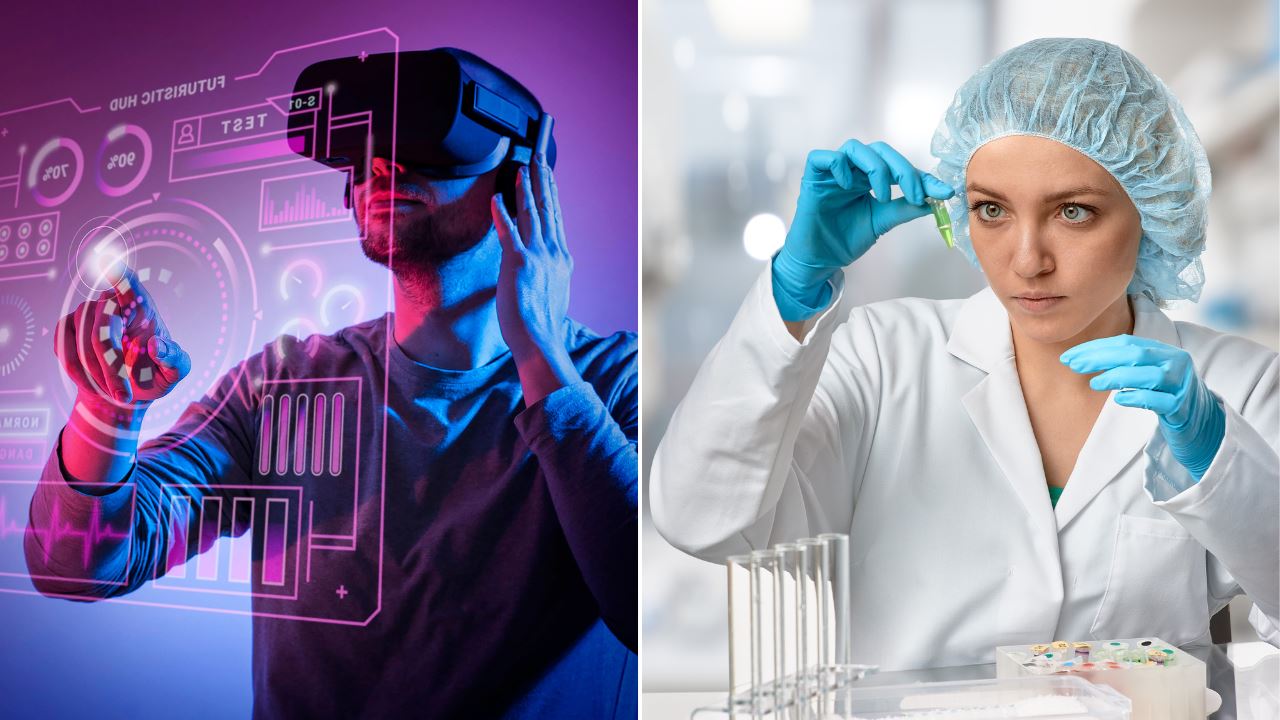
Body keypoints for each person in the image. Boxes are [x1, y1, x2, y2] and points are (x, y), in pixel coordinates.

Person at [27, 49, 637, 718]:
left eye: (420, 137)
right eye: (362, 146)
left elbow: (652, 609)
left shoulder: (615, 384)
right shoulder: (284, 385)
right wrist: (106, 414)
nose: (380, 165)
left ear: (520, 184)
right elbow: (75, 566)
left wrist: (547, 368)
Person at [651, 38, 1277, 671]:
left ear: (1150, 210)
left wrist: (1220, 465)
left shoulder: (1241, 385)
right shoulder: (883, 358)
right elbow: (700, 519)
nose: (1028, 259)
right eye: (992, 210)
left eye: (1074, 211)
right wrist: (793, 287)